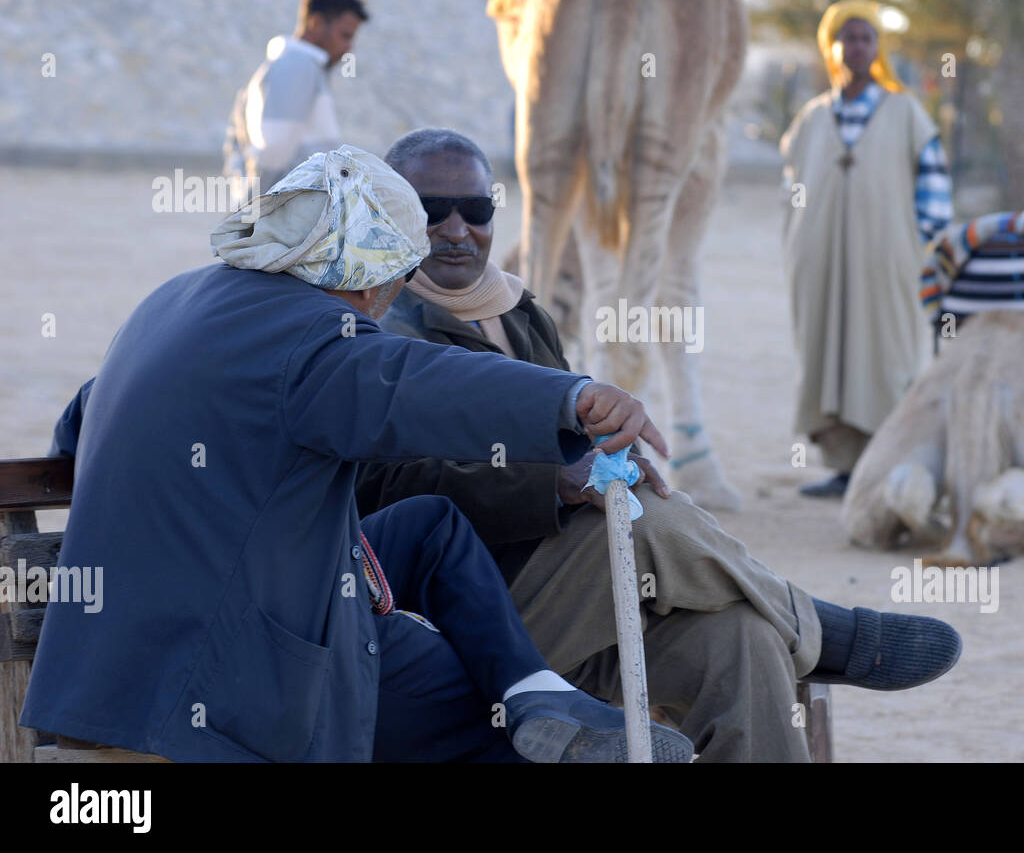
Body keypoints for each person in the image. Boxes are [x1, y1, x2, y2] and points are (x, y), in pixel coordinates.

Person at [19, 145, 695, 763]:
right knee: (478, 727)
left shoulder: (170, 303)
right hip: (210, 697)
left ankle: (533, 691)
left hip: (111, 673)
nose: (383, 305)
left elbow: (79, 429)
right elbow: (418, 384)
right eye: (394, 281)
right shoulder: (313, 337)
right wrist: (572, 398)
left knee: (428, 528)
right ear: (370, 277)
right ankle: (519, 715)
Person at [354, 127, 964, 762]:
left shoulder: (518, 311)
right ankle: (820, 628)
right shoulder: (378, 329)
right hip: (475, 618)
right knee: (652, 523)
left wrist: (604, 458)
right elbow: (388, 487)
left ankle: (785, 622)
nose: (457, 229)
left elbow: (560, 433)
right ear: (395, 215)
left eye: (475, 210)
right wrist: (554, 485)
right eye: (431, 212)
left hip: (576, 593)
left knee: (743, 639)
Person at [781, 0, 954, 499]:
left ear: (877, 47)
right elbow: (789, 189)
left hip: (889, 260)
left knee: (885, 353)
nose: (856, 46)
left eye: (866, 37)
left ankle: (887, 463)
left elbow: (935, 186)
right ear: (831, 46)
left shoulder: (904, 112)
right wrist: (797, 240)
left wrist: (920, 246)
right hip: (819, 261)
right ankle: (843, 468)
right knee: (828, 353)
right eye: (847, 37)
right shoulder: (812, 119)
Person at [222, 0, 365, 204]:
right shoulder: (296, 66)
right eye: (345, 36)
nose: (349, 47)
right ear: (316, 23)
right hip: (283, 220)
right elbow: (273, 154)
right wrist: (247, 222)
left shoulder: (298, 66)